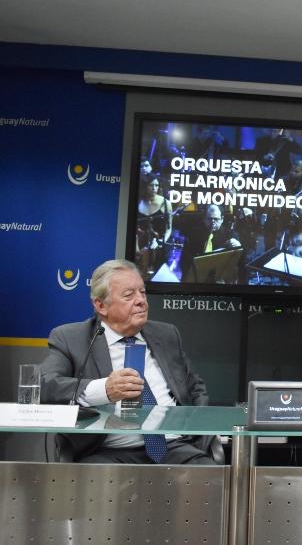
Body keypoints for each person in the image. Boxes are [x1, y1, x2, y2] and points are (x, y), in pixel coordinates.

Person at [41, 260, 215, 464]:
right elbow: (45, 385)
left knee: (211, 479)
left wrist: (200, 440)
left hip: (173, 447)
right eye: (129, 295)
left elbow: (195, 389)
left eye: (142, 292)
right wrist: (103, 389)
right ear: (100, 305)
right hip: (107, 452)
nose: (141, 300)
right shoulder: (71, 338)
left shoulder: (167, 334)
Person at [136, 174, 173, 276]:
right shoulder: (138, 202)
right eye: (151, 185)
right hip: (141, 244)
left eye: (156, 185)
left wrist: (161, 241)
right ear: (145, 186)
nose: (154, 188)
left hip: (160, 244)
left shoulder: (166, 203)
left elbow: (169, 228)